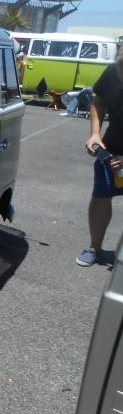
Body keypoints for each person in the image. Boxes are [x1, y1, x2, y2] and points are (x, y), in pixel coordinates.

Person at [76, 45, 123, 266]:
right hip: (111, 151)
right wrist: (95, 133)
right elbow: (98, 98)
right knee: (100, 197)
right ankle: (94, 247)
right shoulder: (112, 71)